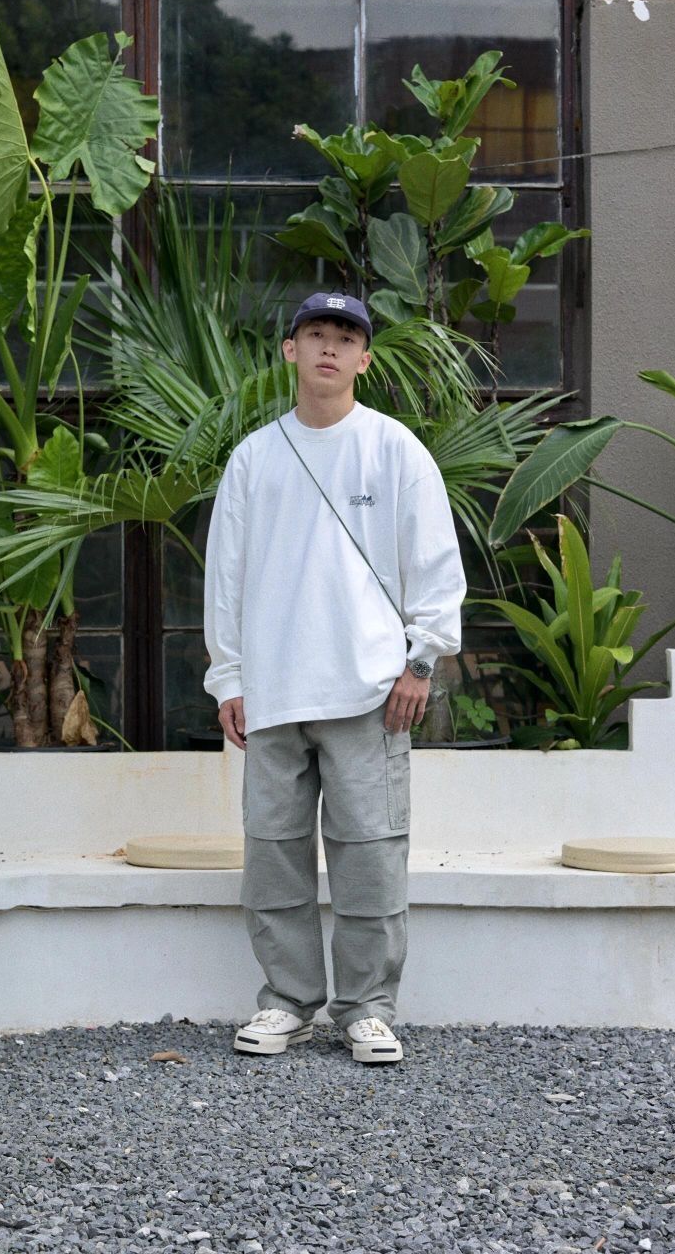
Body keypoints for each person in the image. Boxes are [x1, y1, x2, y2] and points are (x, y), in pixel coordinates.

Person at [202, 291, 467, 1063]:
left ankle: (367, 1009)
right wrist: (229, 678)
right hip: (273, 693)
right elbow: (226, 577)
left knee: (370, 857)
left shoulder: (394, 449)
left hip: (370, 693)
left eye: (344, 338)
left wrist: (421, 661)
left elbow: (435, 564)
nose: (328, 348)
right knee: (273, 857)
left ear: (364, 358)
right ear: (290, 350)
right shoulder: (255, 457)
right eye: (314, 334)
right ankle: (286, 1002)